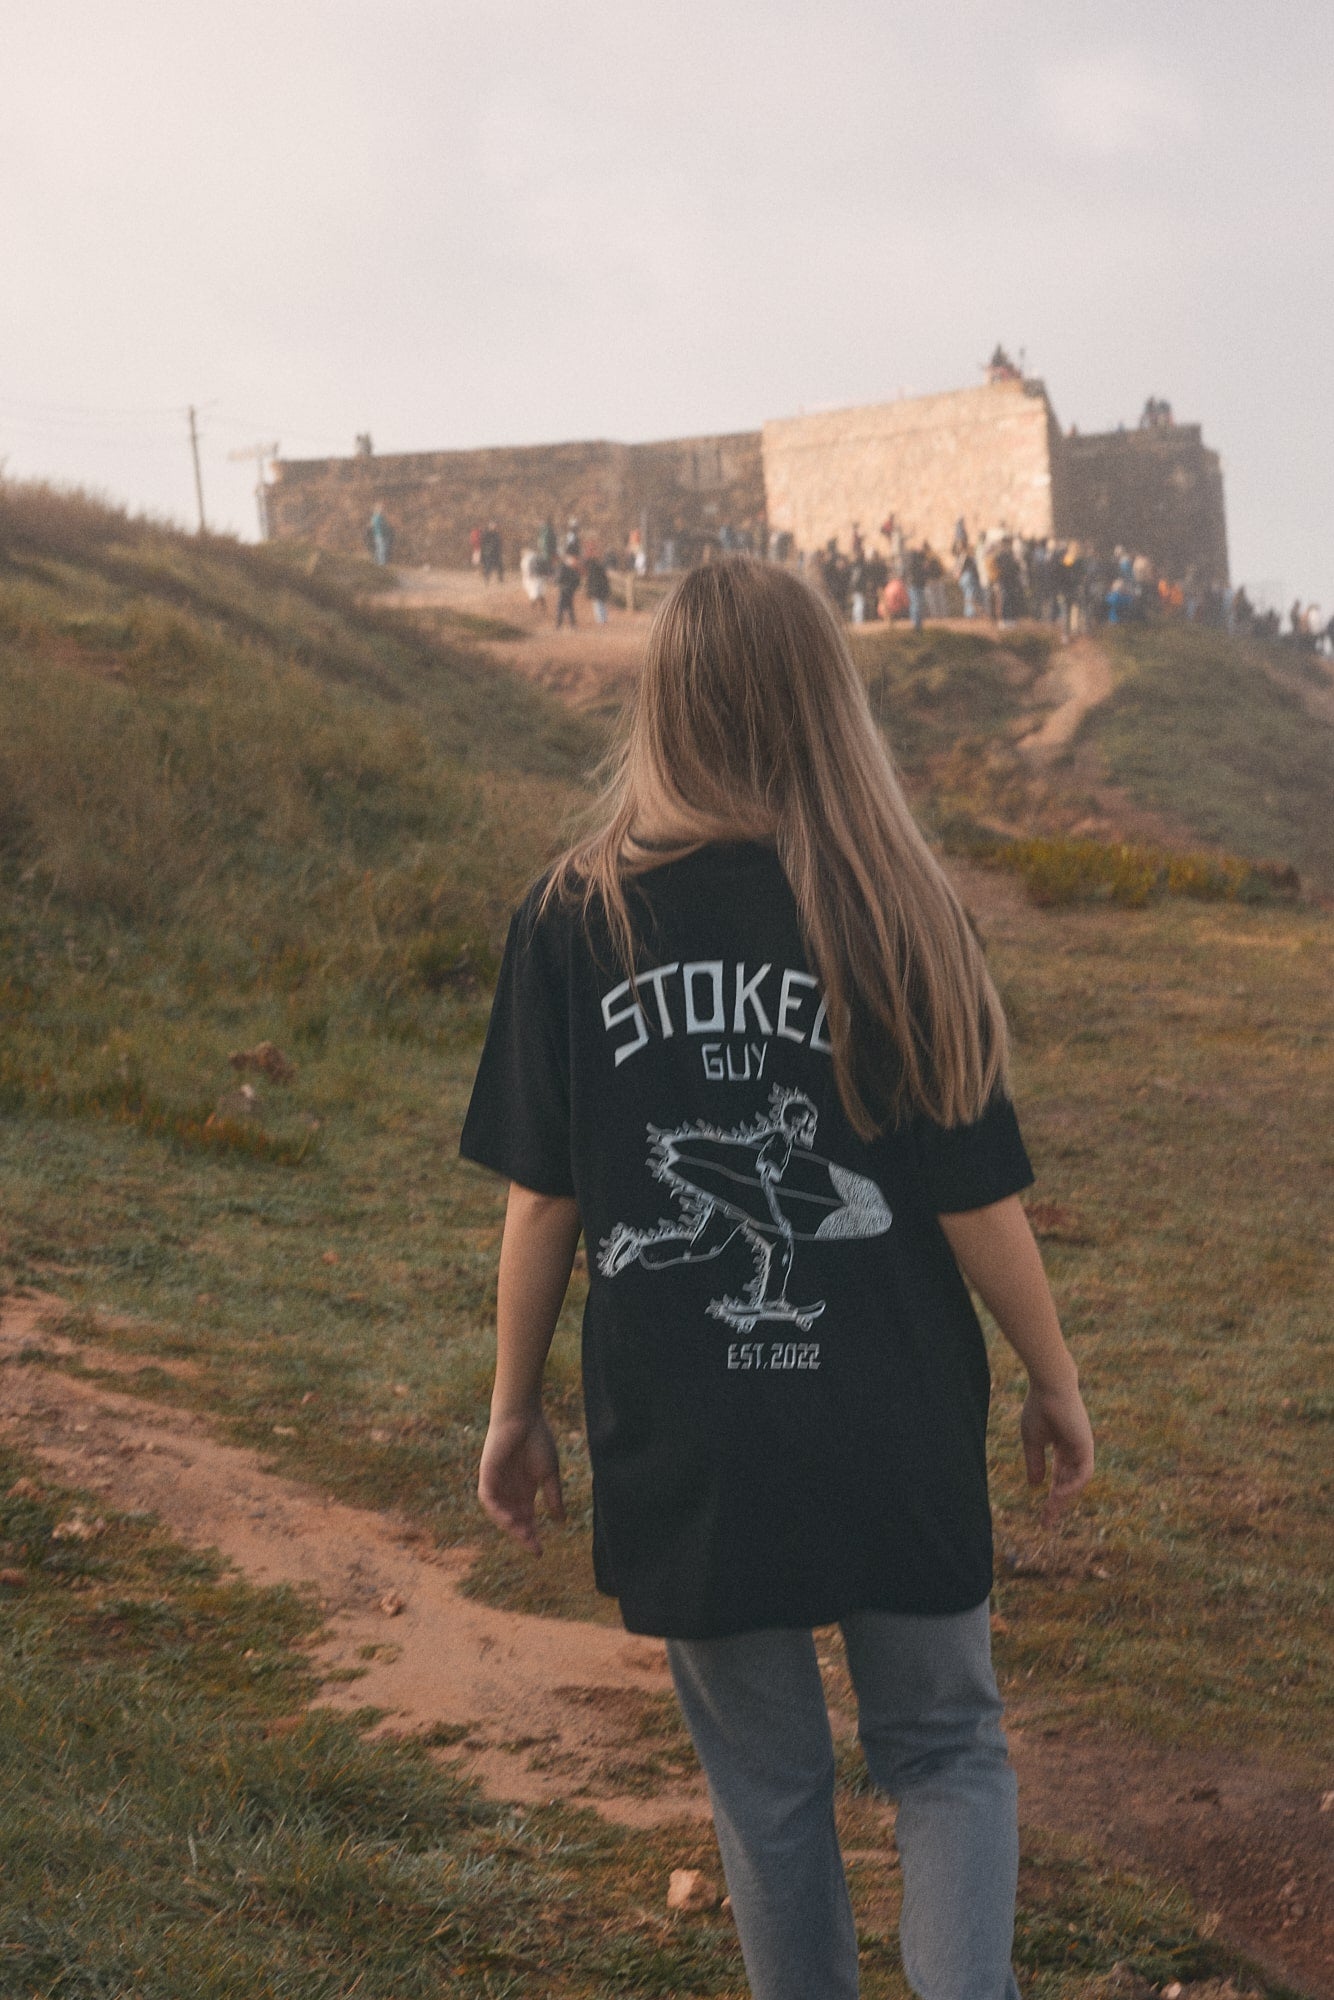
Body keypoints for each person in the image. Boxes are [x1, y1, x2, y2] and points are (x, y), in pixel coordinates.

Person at [460, 558, 1095, 2000]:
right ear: (829, 704)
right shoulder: (898, 905)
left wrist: (512, 1408)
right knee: (941, 1748)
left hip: (687, 1429)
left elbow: (541, 1200)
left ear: (662, 703)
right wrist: (1052, 1381)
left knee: (765, 1789)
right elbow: (973, 1200)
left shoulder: (573, 917)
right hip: (889, 1413)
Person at [584, 548, 612, 625]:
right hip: (601, 589)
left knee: (598, 604)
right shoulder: (601, 567)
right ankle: (603, 619)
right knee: (602, 604)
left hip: (596, 589)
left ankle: (600, 620)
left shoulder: (593, 569)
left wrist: (589, 590)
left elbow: (590, 581)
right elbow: (605, 579)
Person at [519, 545, 547, 617]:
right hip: (537, 577)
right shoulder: (535, 557)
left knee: (535, 593)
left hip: (533, 578)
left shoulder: (526, 560)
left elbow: (527, 570)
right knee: (539, 592)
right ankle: (541, 607)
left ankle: (533, 607)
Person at [555, 551, 581, 628]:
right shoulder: (573, 570)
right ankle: (572, 624)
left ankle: (559, 624)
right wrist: (575, 587)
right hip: (570, 590)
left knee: (561, 607)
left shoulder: (563, 568)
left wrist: (559, 583)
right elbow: (577, 581)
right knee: (569, 607)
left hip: (564, 590)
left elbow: (558, 578)